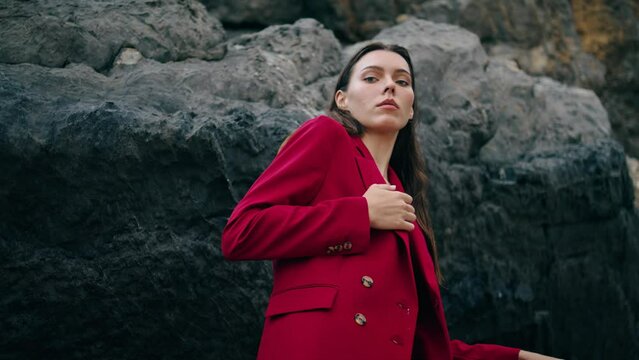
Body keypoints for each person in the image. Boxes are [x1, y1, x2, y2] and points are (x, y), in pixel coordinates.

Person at [221, 42, 560, 360]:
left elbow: (419, 345)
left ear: (411, 110)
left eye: (402, 81)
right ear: (342, 99)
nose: (390, 87)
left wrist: (516, 357)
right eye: (372, 77)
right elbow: (242, 232)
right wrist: (361, 213)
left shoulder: (405, 201)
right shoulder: (326, 135)